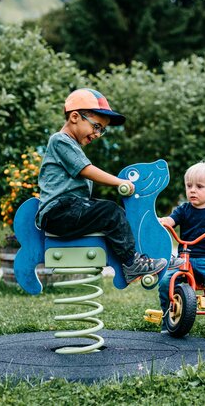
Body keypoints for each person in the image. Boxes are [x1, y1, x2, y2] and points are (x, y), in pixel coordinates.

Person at [35, 88, 167, 284]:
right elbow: (86, 170)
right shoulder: (60, 140)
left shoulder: (72, 145)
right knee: (110, 211)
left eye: (101, 130)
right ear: (74, 117)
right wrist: (119, 181)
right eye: (96, 126)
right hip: (57, 212)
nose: (97, 134)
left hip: (69, 210)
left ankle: (145, 255)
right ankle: (132, 264)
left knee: (116, 215)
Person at [158, 161, 205, 337]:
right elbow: (172, 220)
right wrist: (165, 221)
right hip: (184, 259)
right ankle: (167, 315)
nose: (192, 190)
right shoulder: (183, 209)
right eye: (189, 186)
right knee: (164, 282)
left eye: (199, 186)